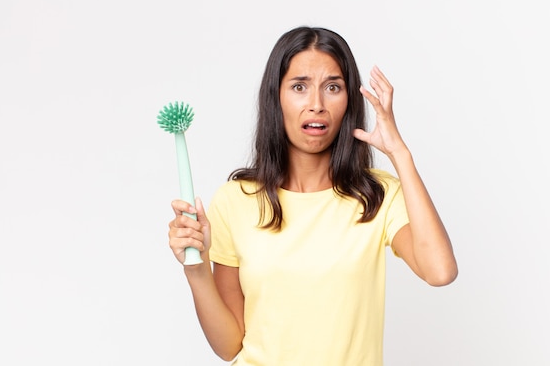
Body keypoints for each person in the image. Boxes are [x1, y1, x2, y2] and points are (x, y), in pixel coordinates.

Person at [167, 26, 458, 365]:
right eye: (299, 87)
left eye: (332, 87)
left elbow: (440, 271)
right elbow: (230, 346)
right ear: (276, 97)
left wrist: (400, 153)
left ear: (349, 99)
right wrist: (196, 268)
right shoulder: (236, 200)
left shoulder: (376, 195)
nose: (316, 104)